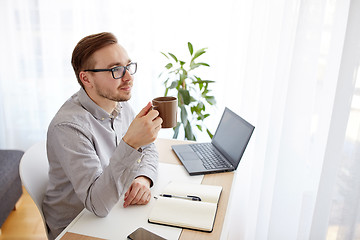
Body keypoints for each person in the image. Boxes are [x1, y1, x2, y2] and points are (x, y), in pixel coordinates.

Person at [42, 32, 162, 239]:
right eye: (116, 69)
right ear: (86, 78)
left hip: (117, 207)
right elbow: (97, 205)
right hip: (79, 226)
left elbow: (148, 147)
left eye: (128, 66)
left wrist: (143, 178)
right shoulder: (68, 127)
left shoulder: (119, 102)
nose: (128, 77)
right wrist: (130, 144)